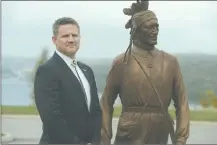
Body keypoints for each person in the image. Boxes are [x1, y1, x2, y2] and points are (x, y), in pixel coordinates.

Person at [100, 1, 190, 145]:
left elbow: (182, 102)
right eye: (149, 27)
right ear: (136, 30)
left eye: (157, 27)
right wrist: (104, 138)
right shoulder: (121, 62)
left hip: (160, 132)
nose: (155, 31)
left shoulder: (170, 62)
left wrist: (181, 138)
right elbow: (106, 103)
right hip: (129, 131)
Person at [34, 17, 102, 145]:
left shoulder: (87, 70)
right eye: (65, 36)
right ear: (54, 40)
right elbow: (51, 118)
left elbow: (96, 110)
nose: (71, 39)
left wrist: (95, 140)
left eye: (75, 35)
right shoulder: (47, 71)